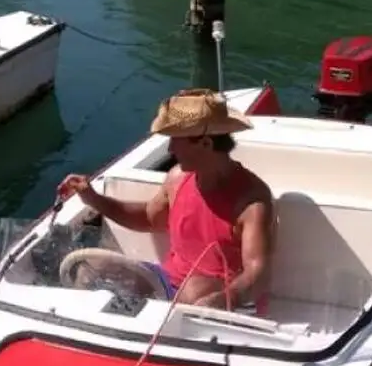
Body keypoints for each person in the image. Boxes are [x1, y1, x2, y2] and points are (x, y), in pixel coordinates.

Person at [57, 88, 275, 312]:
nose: (170, 149)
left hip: (224, 299)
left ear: (205, 144)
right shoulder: (177, 178)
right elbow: (149, 219)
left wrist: (226, 297)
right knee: (87, 271)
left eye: (175, 140)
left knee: (193, 290)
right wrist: (94, 199)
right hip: (167, 282)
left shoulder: (252, 201)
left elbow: (257, 273)